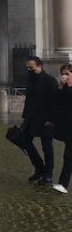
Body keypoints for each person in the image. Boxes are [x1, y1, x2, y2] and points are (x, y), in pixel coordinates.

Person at [20, 56, 57, 185]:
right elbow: (28, 99)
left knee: (47, 147)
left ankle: (48, 174)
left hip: (46, 120)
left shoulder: (50, 81)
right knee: (24, 141)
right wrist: (25, 117)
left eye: (32, 68)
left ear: (40, 66)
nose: (29, 70)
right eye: (28, 68)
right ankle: (39, 167)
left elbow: (54, 103)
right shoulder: (30, 80)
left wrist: (51, 120)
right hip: (31, 118)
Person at [46, 64, 72, 195]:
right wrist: (61, 87)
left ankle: (63, 184)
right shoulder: (62, 87)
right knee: (68, 156)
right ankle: (62, 184)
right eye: (63, 73)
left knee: (69, 156)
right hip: (67, 127)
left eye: (67, 73)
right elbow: (55, 101)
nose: (64, 76)